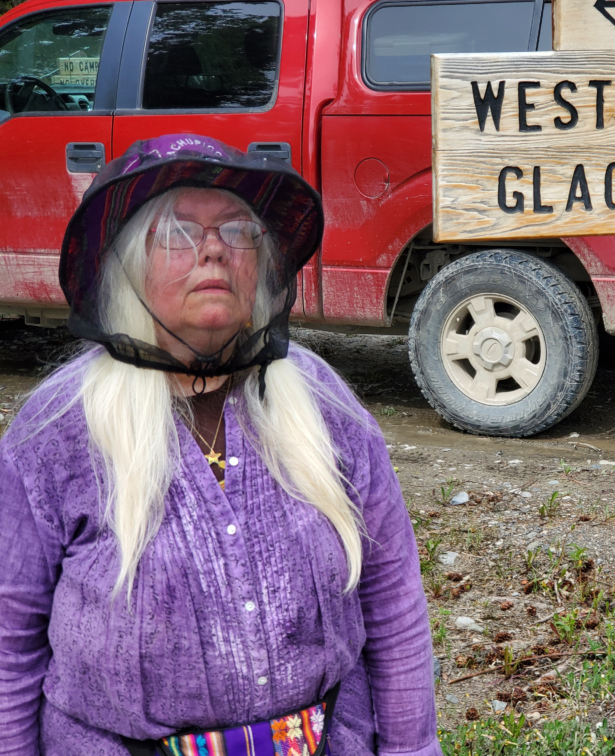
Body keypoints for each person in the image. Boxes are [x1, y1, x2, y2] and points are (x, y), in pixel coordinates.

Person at [0, 134, 440, 756]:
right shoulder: (58, 429)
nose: (213, 250)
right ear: (127, 265)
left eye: (238, 232)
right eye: (178, 234)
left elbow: (393, 606)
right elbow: (8, 647)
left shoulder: (323, 401)